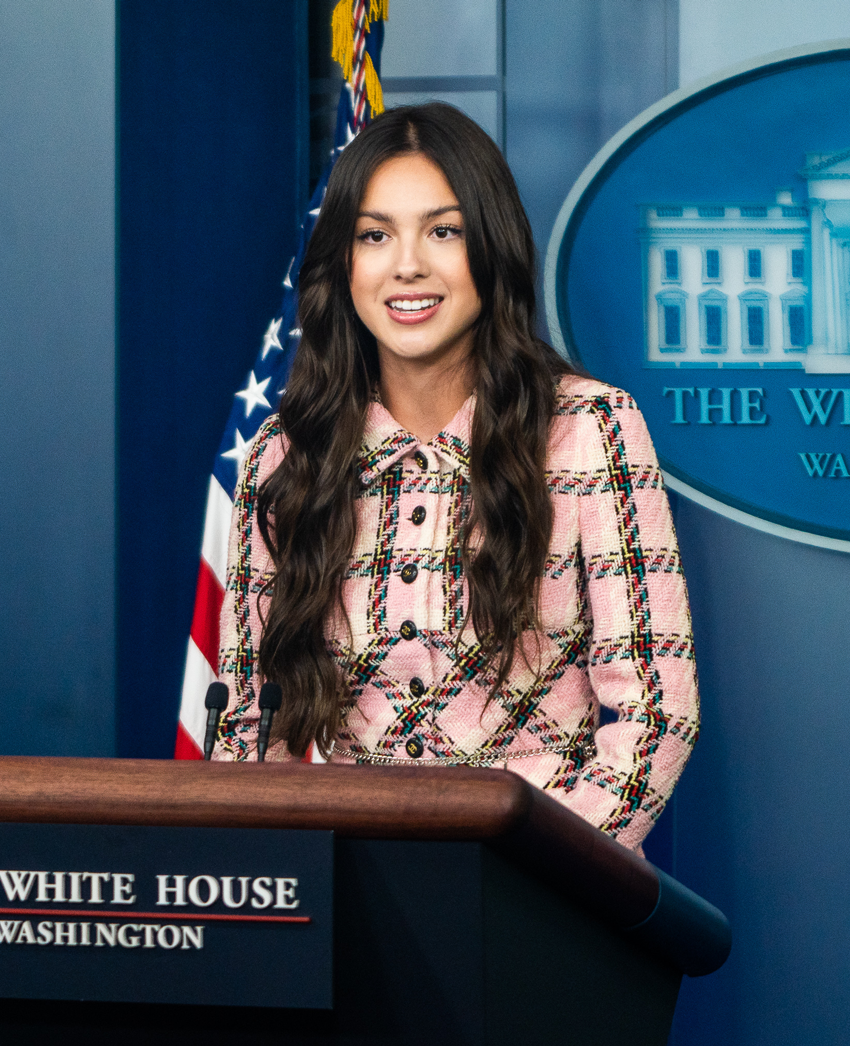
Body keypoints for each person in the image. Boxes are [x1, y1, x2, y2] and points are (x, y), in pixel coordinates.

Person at [211, 103, 697, 851]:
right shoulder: (285, 454)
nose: (408, 264)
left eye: (444, 231)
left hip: (533, 895)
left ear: (491, 248)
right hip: (342, 890)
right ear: (343, 262)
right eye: (375, 236)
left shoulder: (589, 431)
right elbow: (250, 727)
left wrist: (536, 868)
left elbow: (656, 714)